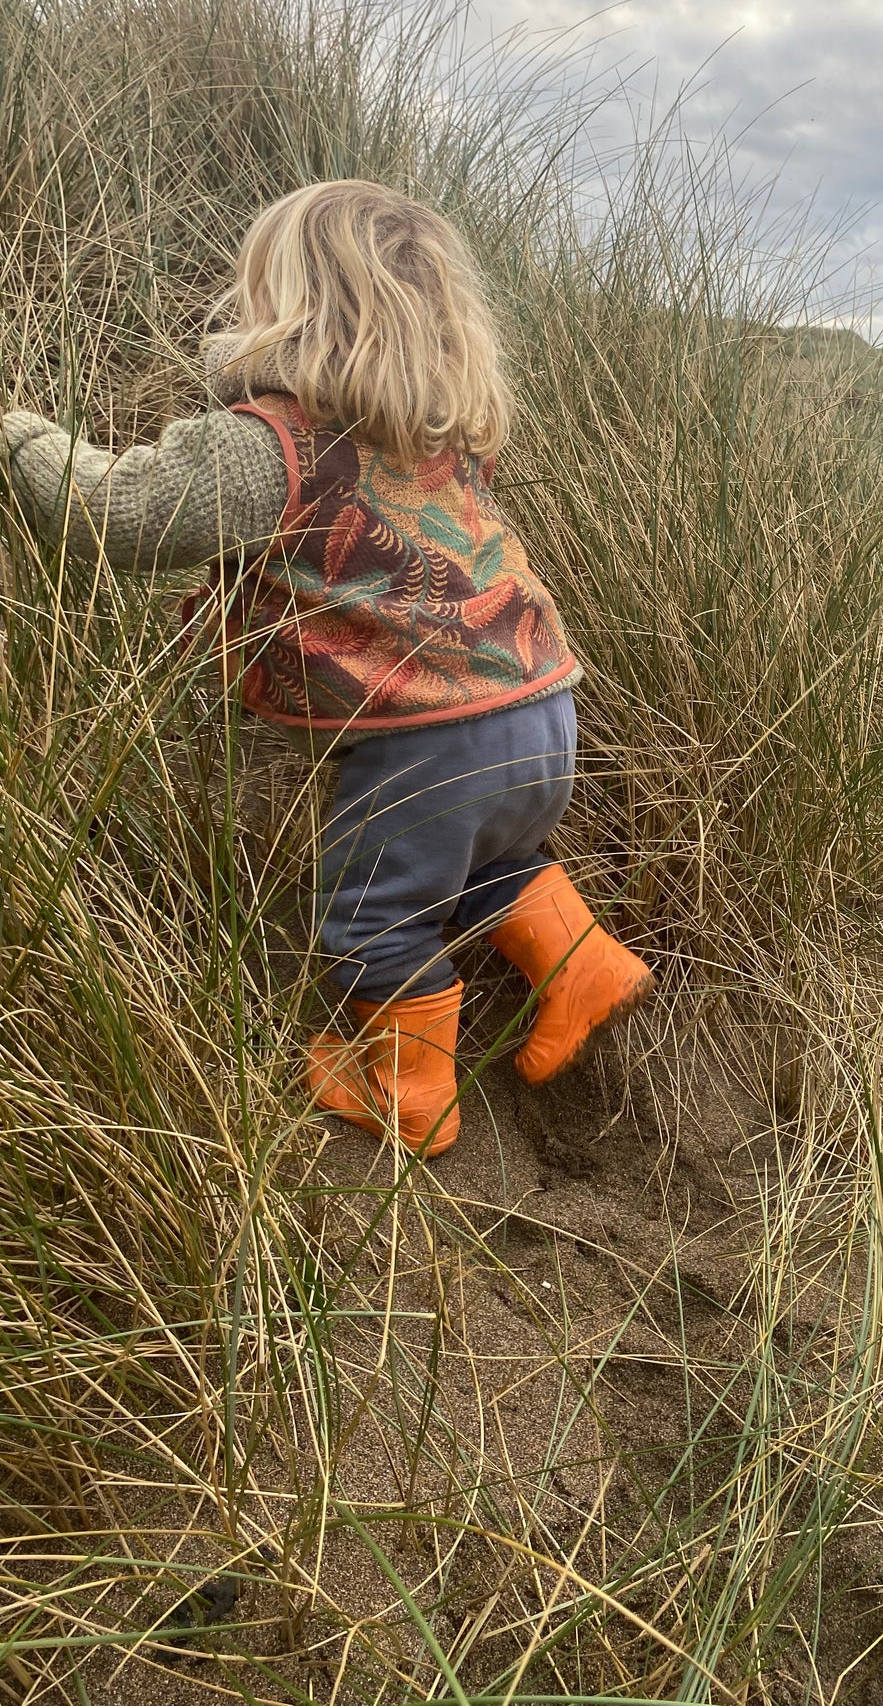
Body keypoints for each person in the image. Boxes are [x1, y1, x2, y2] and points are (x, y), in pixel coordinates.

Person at [0, 178, 653, 1158]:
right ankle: (582, 964)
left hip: (426, 744)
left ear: (288, 305)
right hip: (539, 711)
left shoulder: (265, 446)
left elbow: (116, 517)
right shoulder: (440, 437)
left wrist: (23, 438)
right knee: (478, 862)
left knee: (369, 914)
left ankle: (408, 1088)